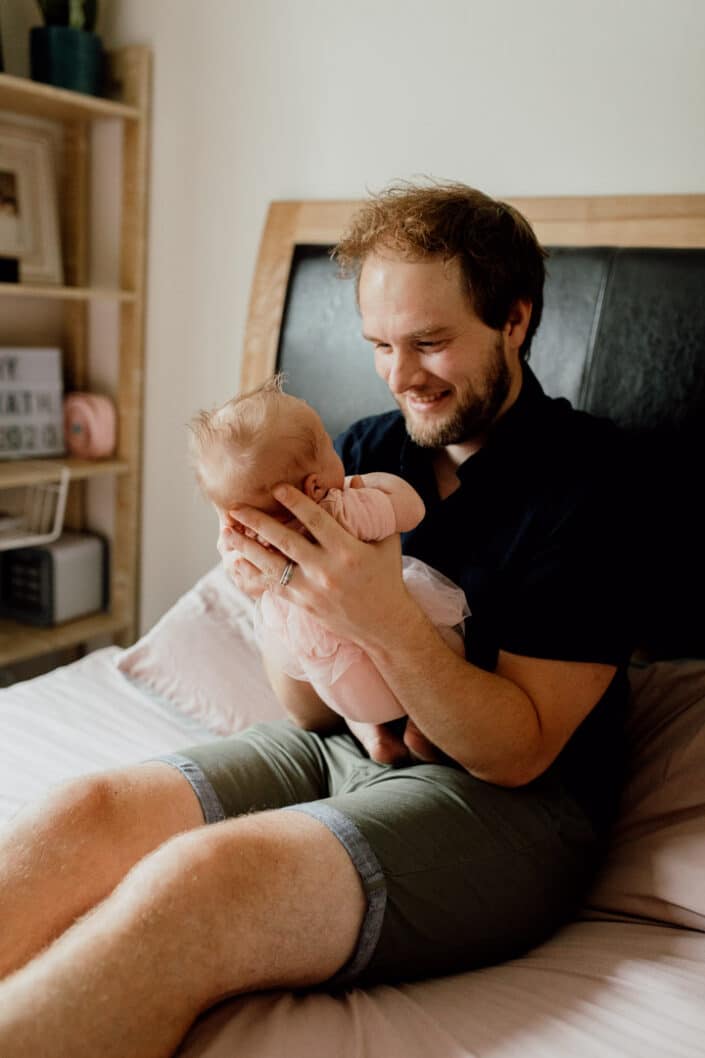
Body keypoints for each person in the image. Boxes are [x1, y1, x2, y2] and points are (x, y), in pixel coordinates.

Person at [0, 181, 635, 1058]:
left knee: (201, 881)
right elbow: (306, 711)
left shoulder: (595, 482)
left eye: (430, 342)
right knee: (87, 810)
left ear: (514, 319)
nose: (399, 373)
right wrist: (277, 595)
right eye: (378, 344)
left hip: (515, 808)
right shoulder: (365, 449)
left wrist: (380, 617)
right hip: (342, 749)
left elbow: (517, 749)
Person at [189, 375, 469, 759]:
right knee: (449, 642)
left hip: (335, 684)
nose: (339, 449)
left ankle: (369, 733)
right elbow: (411, 509)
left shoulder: (253, 549)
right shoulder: (342, 511)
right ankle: (423, 724)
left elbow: (245, 575)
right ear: (315, 486)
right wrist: (369, 485)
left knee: (336, 679)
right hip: (390, 676)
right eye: (326, 442)